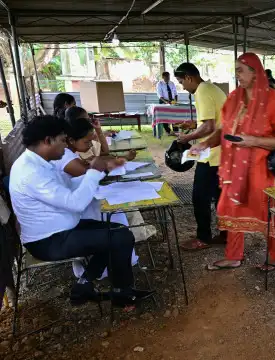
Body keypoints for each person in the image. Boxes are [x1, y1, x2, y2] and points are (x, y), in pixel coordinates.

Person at [9, 115, 152, 307]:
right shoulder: (31, 173)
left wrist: (99, 169)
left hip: (62, 227)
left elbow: (68, 187)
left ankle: (85, 285)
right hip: (48, 240)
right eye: (62, 141)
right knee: (120, 238)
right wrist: (94, 172)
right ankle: (122, 293)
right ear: (47, 141)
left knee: (116, 231)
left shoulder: (40, 162)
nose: (65, 146)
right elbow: (75, 203)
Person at [189, 52, 275, 271]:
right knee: (230, 209)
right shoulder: (234, 98)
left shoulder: (273, 100)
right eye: (235, 70)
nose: (237, 75)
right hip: (234, 168)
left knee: (269, 212)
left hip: (263, 169)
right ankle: (233, 256)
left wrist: (253, 140)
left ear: (255, 72)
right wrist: (204, 144)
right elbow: (223, 131)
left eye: (240, 70)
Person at [51, 108, 138, 279]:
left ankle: (112, 268)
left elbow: (93, 167)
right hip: (74, 210)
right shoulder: (65, 156)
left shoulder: (69, 152)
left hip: (77, 202)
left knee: (116, 215)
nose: (90, 145)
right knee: (115, 218)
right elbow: (88, 172)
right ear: (69, 140)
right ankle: (106, 271)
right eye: (86, 142)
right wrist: (111, 164)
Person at [174, 63, 228, 250]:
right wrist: (193, 125)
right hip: (222, 153)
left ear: (189, 77)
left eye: (182, 82)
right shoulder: (211, 88)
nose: (182, 87)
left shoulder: (202, 91)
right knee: (220, 196)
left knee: (200, 198)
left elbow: (209, 127)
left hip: (212, 156)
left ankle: (203, 238)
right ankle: (225, 234)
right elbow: (210, 122)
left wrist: (186, 138)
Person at [156, 71, 180, 135]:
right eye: (166, 77)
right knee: (165, 116)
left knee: (174, 115)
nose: (168, 78)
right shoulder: (159, 84)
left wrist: (176, 100)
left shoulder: (172, 83)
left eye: (169, 77)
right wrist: (166, 102)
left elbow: (175, 93)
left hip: (172, 100)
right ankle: (168, 131)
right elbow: (159, 95)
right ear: (163, 77)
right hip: (163, 100)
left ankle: (176, 130)